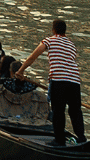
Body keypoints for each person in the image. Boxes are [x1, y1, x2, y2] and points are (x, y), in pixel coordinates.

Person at [36, 17, 86, 146]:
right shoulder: (71, 45)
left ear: (53, 30)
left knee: (58, 111)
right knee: (75, 111)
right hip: (74, 80)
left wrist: (20, 70)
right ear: (65, 31)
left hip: (59, 80)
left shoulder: (49, 40)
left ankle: (59, 140)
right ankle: (81, 138)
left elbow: (34, 56)